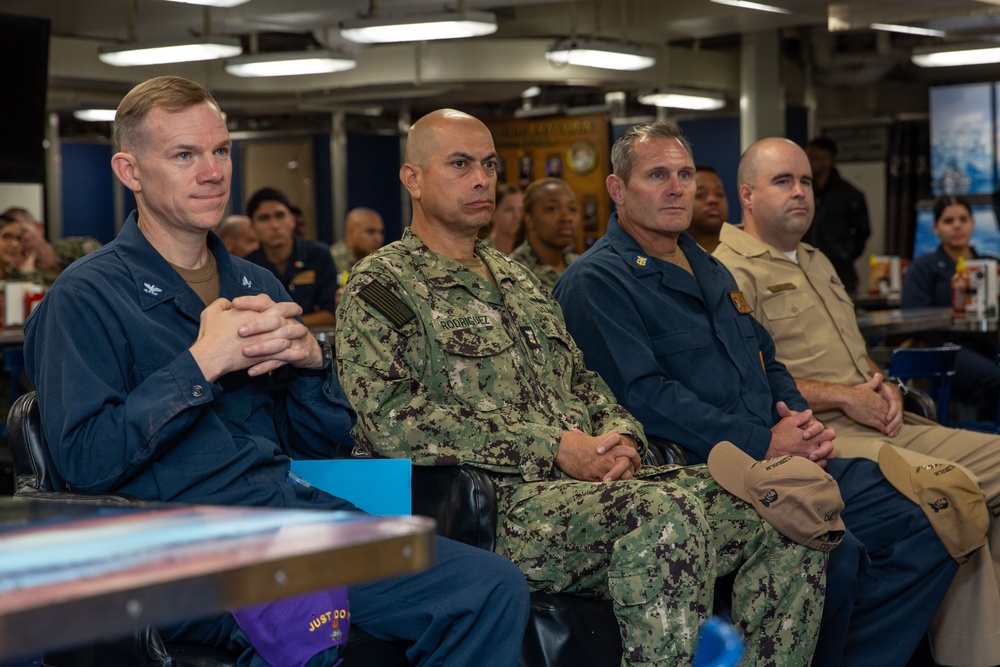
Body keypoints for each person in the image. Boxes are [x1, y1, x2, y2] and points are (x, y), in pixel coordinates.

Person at [24, 76, 529, 667]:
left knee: (490, 587)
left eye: (220, 151)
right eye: (184, 155)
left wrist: (313, 365)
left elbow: (319, 444)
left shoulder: (254, 284)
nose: (212, 172)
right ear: (130, 172)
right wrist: (200, 364)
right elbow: (82, 462)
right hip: (178, 546)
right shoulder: (85, 297)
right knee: (304, 623)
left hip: (290, 517)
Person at [337, 108, 831, 666]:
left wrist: (618, 437)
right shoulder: (384, 285)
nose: (481, 179)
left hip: (589, 487)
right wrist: (553, 447)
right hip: (497, 507)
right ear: (413, 179)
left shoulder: (518, 279)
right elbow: (393, 419)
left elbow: (585, 380)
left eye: (489, 165)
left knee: (787, 511)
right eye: (460, 164)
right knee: (666, 518)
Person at [552, 121, 958, 667]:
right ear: (617, 189)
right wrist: (762, 440)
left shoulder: (710, 268)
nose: (676, 188)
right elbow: (644, 397)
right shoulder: (597, 282)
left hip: (784, 456)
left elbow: (768, 359)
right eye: (657, 175)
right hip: (706, 473)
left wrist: (800, 421)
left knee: (934, 520)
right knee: (837, 555)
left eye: (684, 175)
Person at [713, 141, 1000, 666]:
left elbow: (857, 355)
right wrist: (844, 396)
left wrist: (881, 383)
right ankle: (966, 658)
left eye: (804, 181)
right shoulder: (727, 272)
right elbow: (750, 376)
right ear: (747, 195)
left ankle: (978, 646)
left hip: (885, 418)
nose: (799, 191)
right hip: (820, 434)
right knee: (951, 488)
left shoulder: (818, 260)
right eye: (783, 181)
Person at [901, 195, 1000, 421]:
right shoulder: (924, 267)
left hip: (989, 342)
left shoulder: (990, 264)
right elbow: (912, 315)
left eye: (963, 219)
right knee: (996, 379)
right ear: (936, 227)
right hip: (946, 346)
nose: (957, 225)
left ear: (972, 223)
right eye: (948, 221)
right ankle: (989, 435)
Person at [244, 187, 338, 328]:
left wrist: (285, 323)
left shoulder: (319, 255)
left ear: (292, 220)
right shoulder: (246, 266)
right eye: (264, 218)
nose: (274, 225)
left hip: (316, 342)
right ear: (252, 228)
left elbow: (332, 315)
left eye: (280, 215)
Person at [803, 137, 870, 295]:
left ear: (828, 160)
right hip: (803, 267)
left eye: (813, 158)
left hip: (839, 269)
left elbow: (863, 231)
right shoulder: (801, 192)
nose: (809, 163)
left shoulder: (849, 195)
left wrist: (845, 253)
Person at [508, 177, 579, 290]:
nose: (567, 217)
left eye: (572, 209)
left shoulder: (579, 265)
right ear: (528, 219)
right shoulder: (513, 272)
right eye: (552, 209)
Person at [1, 206, 102, 282]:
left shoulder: (78, 246)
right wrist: (28, 274)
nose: (18, 241)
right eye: (12, 237)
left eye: (23, 232)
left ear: (39, 228)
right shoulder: (20, 275)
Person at [330, 207, 385, 273]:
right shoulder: (331, 262)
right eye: (370, 231)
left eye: (381, 232)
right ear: (350, 232)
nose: (378, 238)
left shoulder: (382, 261)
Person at [689, 166, 729, 253]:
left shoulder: (743, 252)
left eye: (719, 194)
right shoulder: (669, 257)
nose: (713, 200)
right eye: (701, 194)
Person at [479, 183, 522, 254]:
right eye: (509, 210)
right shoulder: (481, 252)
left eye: (521, 210)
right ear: (492, 213)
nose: (517, 216)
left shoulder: (528, 251)